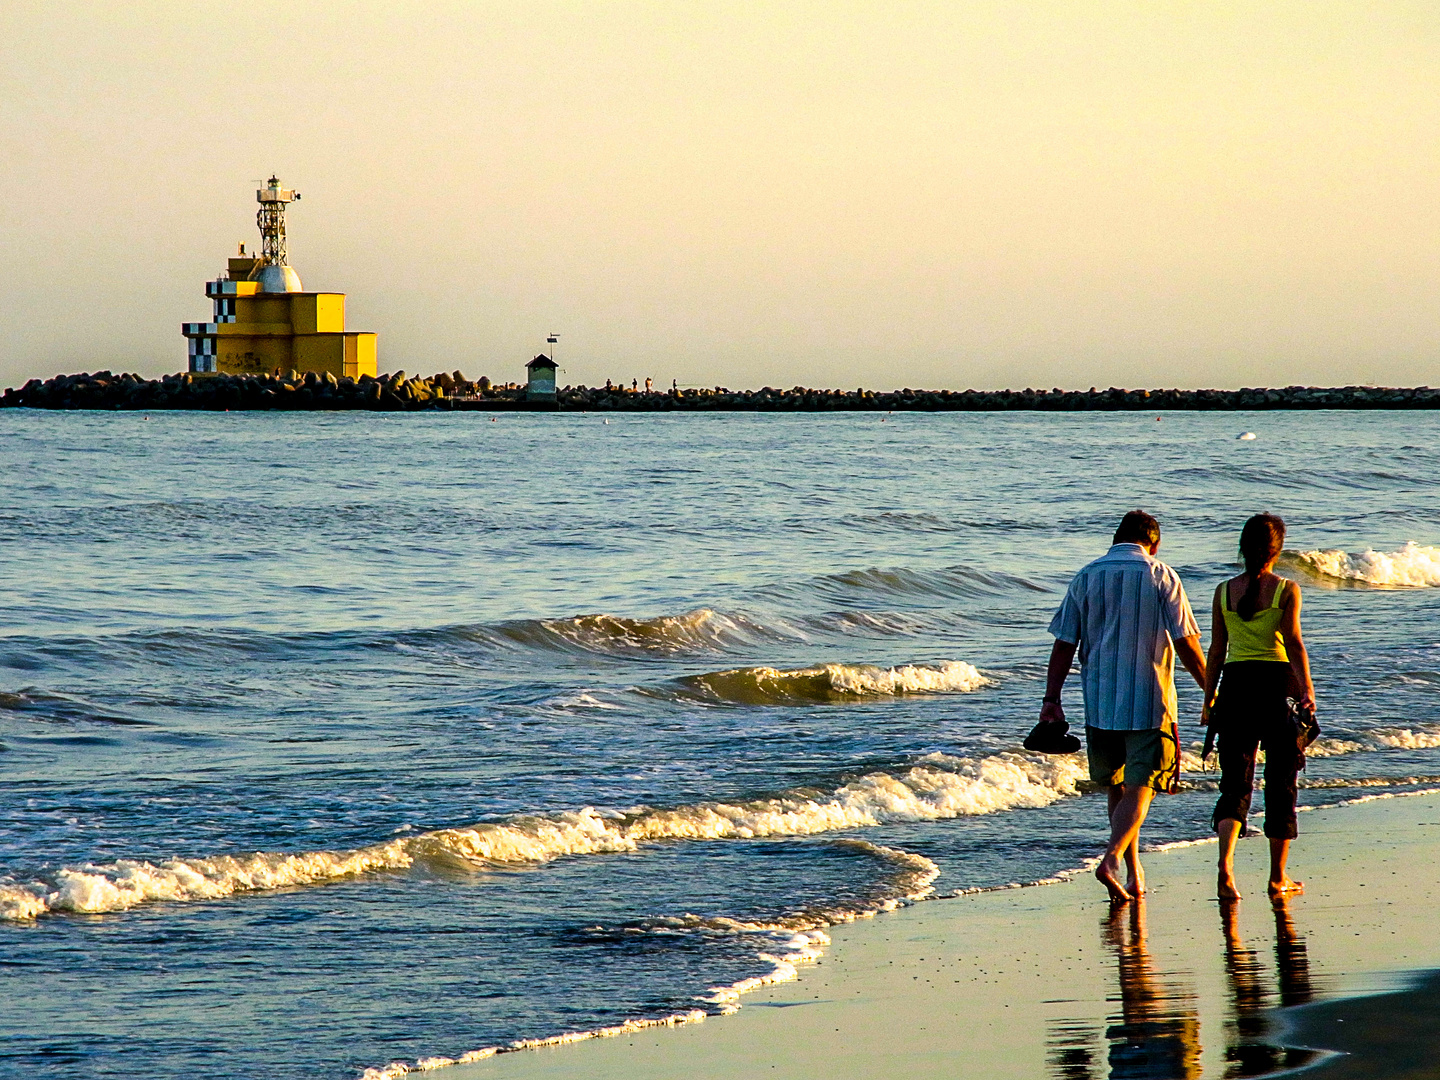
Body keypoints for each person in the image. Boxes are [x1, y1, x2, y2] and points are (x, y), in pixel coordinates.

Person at [1041, 510, 1206, 902]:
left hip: (1099, 700)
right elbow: (1185, 641)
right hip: (1149, 699)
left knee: (1117, 786)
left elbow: (1064, 643)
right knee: (1143, 784)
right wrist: (1211, 690)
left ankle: (1133, 873)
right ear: (1154, 542)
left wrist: (1051, 699)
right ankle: (1111, 858)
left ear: (1115, 538)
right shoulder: (1161, 575)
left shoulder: (1086, 576)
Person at [1202, 513, 1315, 900]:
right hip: (1277, 687)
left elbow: (1216, 652)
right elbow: (1295, 644)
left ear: (1242, 548)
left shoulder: (1222, 592)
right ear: (1277, 550)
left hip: (1235, 688)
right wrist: (1308, 693)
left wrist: (1208, 700)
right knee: (1282, 783)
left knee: (1235, 784)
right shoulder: (1287, 590)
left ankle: (1226, 866)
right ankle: (1277, 877)